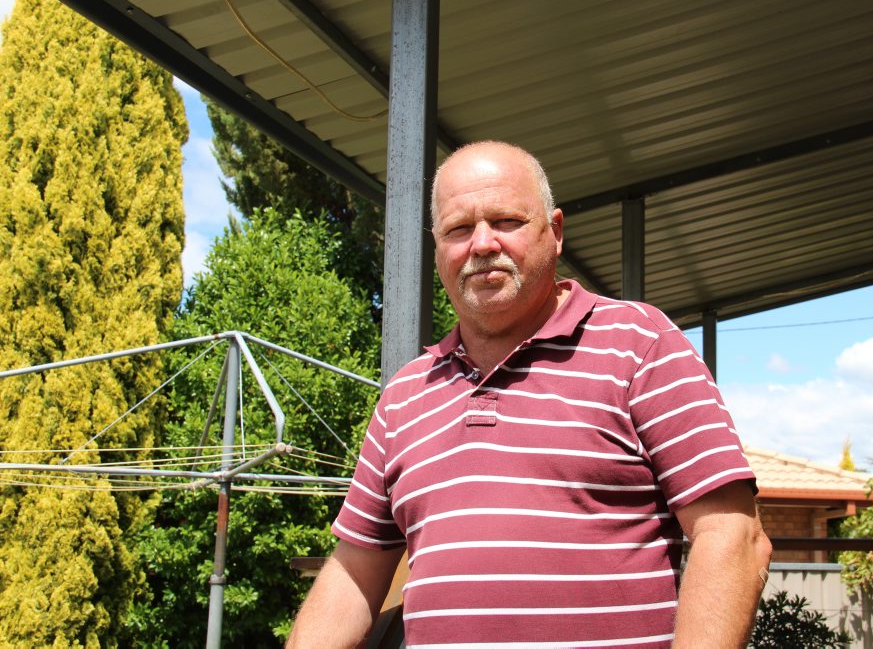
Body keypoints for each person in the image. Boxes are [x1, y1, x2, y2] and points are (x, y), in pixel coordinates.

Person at [289, 141, 772, 648]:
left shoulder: (638, 343)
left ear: (555, 232)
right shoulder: (406, 394)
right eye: (457, 229)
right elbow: (354, 571)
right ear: (437, 250)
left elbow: (733, 538)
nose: (481, 244)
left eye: (506, 221)